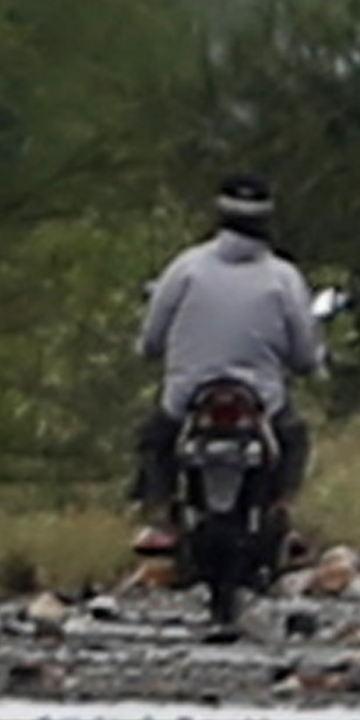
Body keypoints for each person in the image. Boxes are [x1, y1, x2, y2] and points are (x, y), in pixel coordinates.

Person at [134, 173, 326, 549]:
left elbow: (152, 338)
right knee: (293, 437)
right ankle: (283, 510)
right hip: (260, 400)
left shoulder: (184, 269)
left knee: (154, 440)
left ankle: (161, 519)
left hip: (188, 396)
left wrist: (151, 351)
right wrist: (312, 365)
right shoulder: (283, 278)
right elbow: (304, 352)